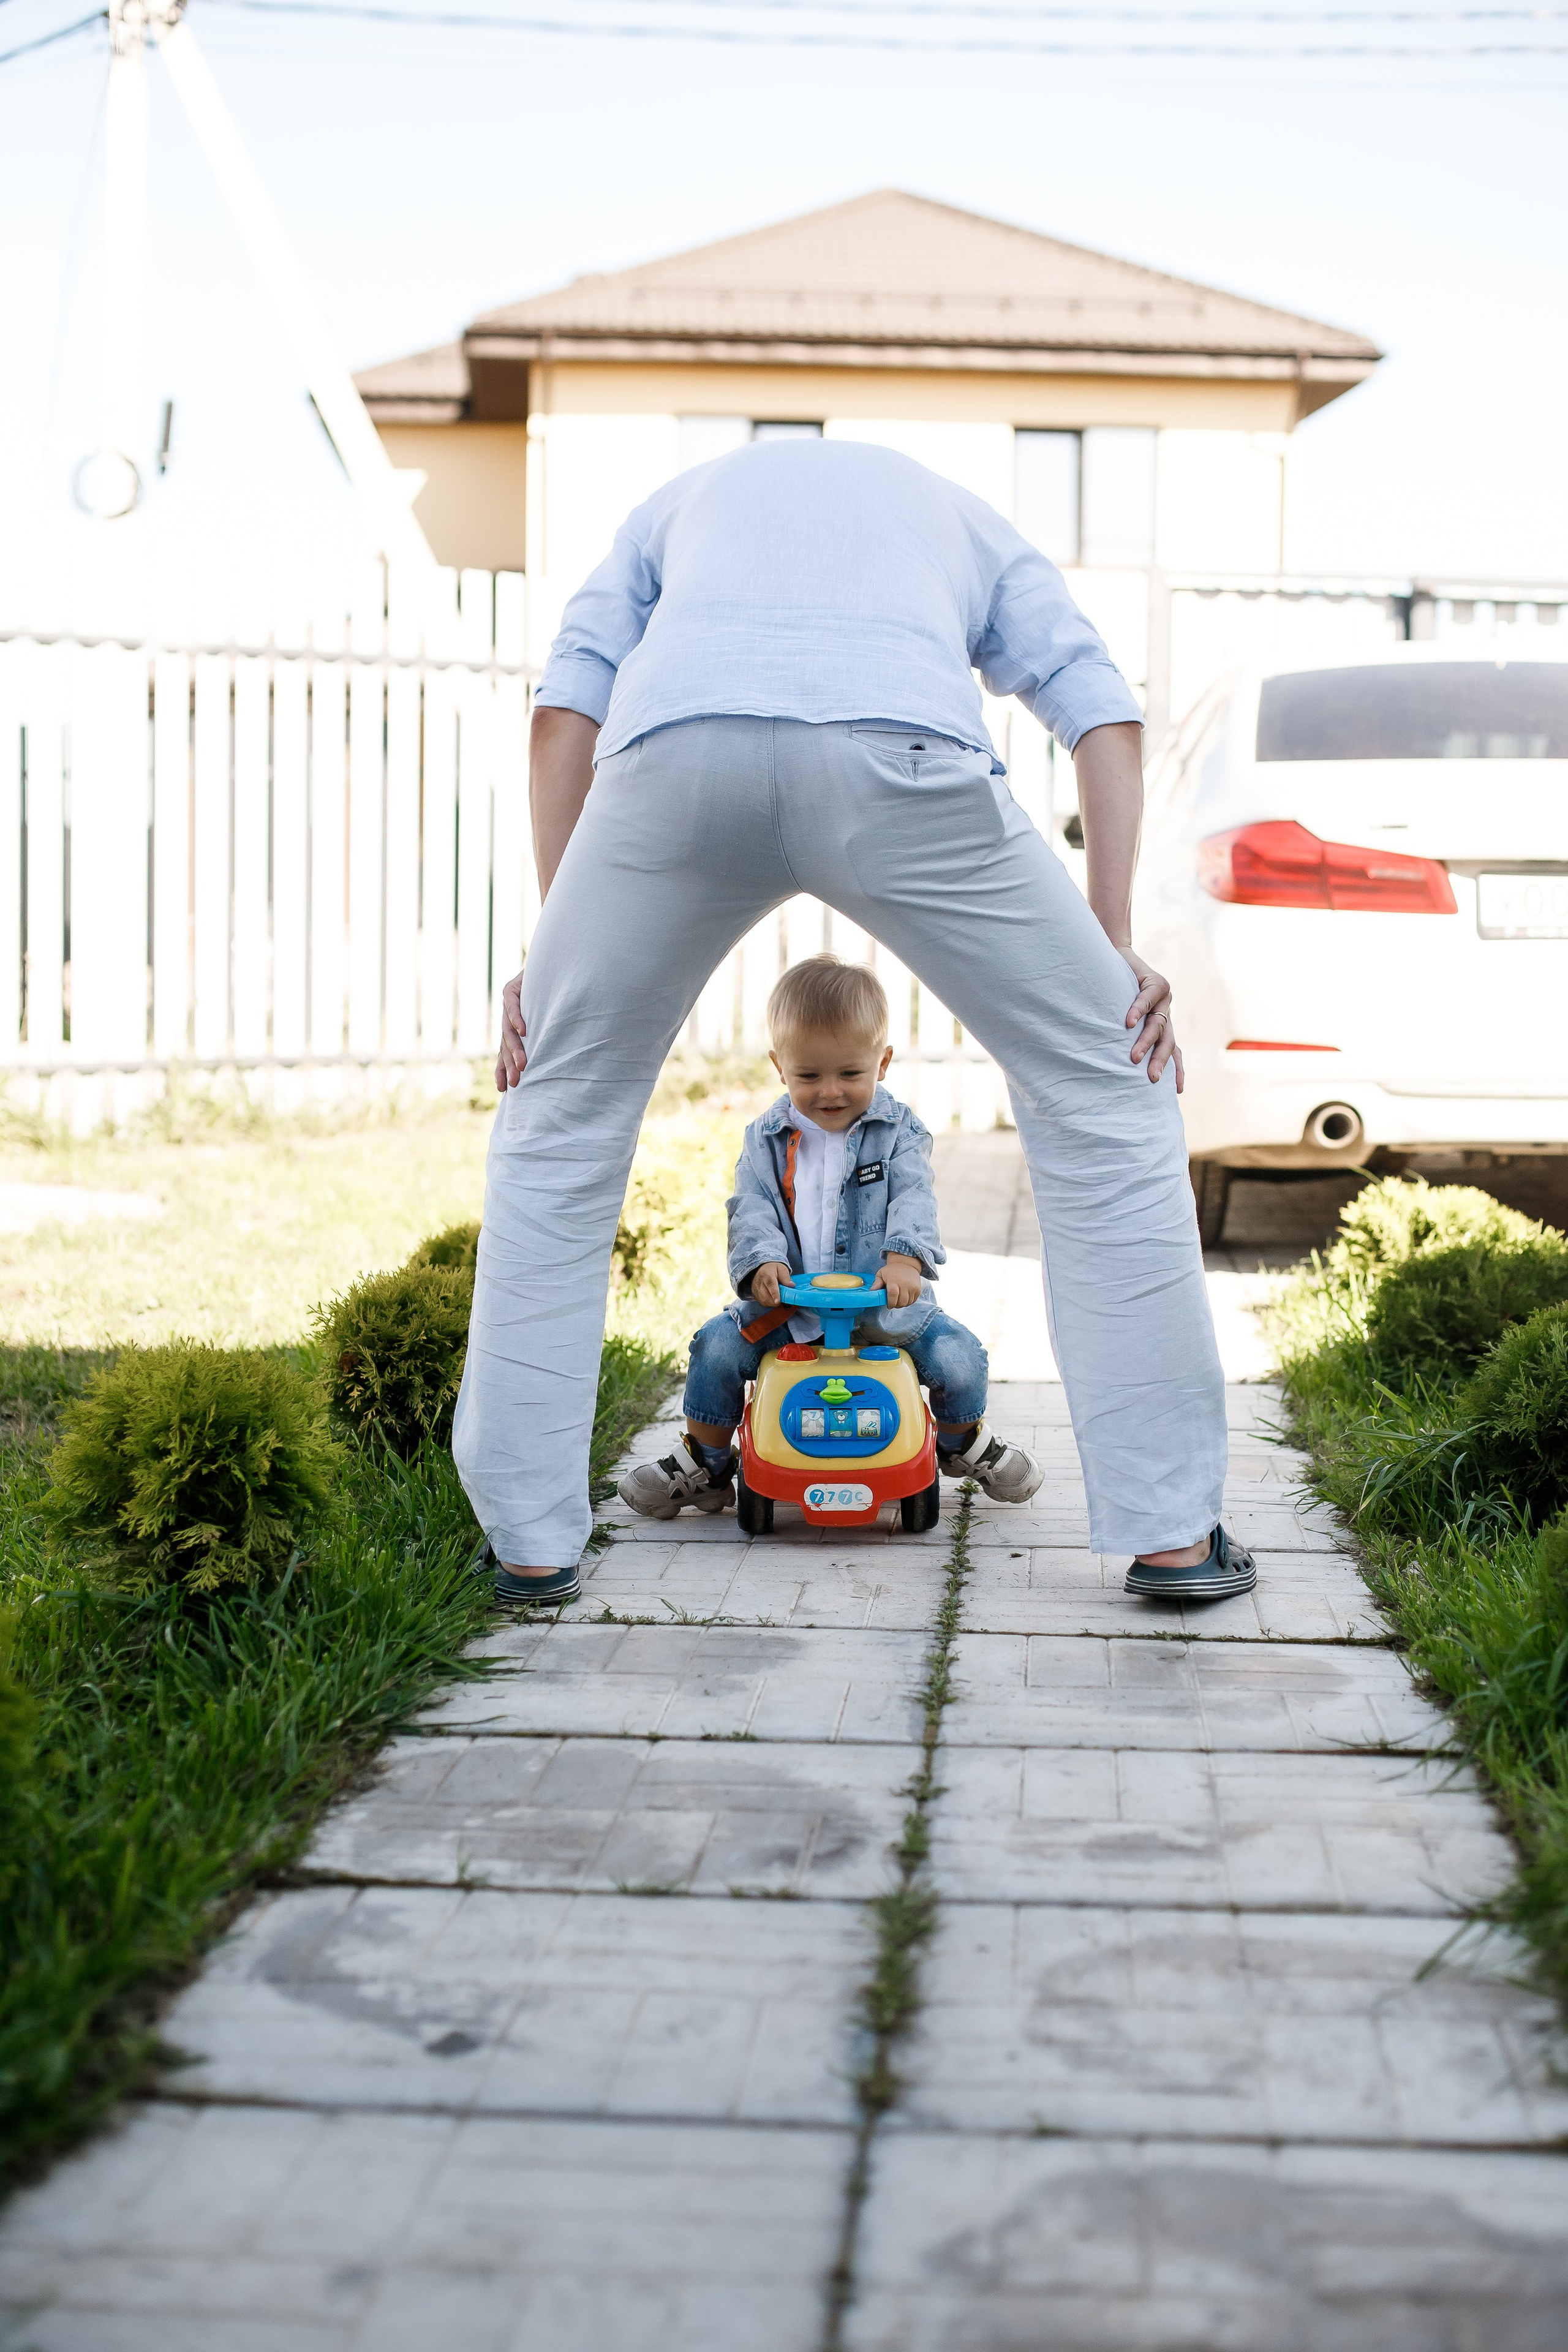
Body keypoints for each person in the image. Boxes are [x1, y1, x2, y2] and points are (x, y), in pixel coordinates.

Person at [453, 434, 1254, 1609]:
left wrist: (560, 943)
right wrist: (1109, 942)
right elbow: (1101, 712)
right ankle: (1175, 1537)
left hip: (675, 760)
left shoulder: (673, 502)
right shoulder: (962, 516)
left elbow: (564, 707)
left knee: (558, 1113)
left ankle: (527, 1542)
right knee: (1108, 1082)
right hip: (902, 753)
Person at [618, 953, 1042, 1521]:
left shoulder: (899, 1133)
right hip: (788, 1309)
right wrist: (762, 1263)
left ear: (883, 1061)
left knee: (959, 1357)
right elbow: (753, 1206)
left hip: (880, 1310)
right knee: (715, 1349)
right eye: (809, 1076)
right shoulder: (766, 1138)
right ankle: (709, 1463)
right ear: (779, 1067)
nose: (831, 1091)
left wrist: (904, 1260)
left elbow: (913, 1196)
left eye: (850, 1073)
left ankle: (960, 1443)